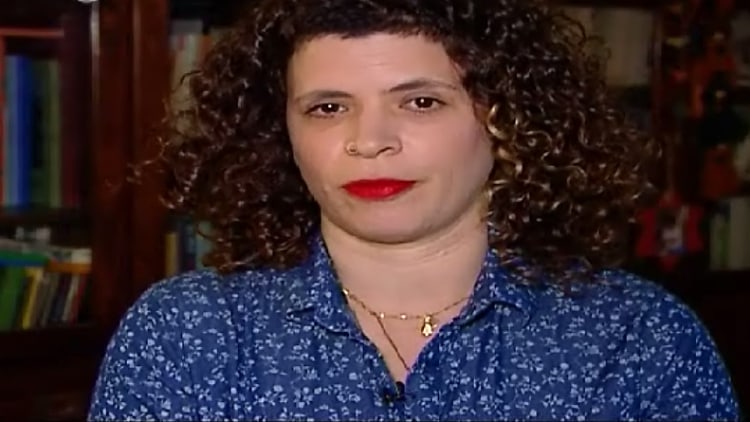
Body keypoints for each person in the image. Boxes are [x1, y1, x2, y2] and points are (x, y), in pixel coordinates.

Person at [88, 0, 741, 420]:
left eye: (421, 102)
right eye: (328, 107)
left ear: (506, 120)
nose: (370, 141)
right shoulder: (184, 334)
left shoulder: (639, 340)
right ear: (280, 132)